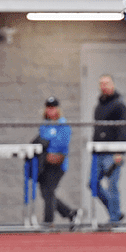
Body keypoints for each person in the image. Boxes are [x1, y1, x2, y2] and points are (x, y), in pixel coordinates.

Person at [34, 97, 81, 229]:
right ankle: (71, 213)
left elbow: (61, 143)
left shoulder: (63, 124)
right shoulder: (45, 124)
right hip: (44, 164)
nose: (50, 110)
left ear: (58, 109)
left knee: (48, 191)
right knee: (46, 193)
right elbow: (41, 140)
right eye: (48, 107)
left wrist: (48, 146)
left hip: (57, 163)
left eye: (53, 107)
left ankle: (48, 222)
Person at [90, 74, 126, 225]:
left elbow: (123, 129)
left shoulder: (119, 105)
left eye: (107, 83)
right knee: (93, 184)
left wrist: (120, 151)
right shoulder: (99, 105)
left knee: (112, 185)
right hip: (98, 152)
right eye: (101, 84)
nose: (104, 86)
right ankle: (115, 212)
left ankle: (114, 219)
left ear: (113, 84)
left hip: (113, 153)